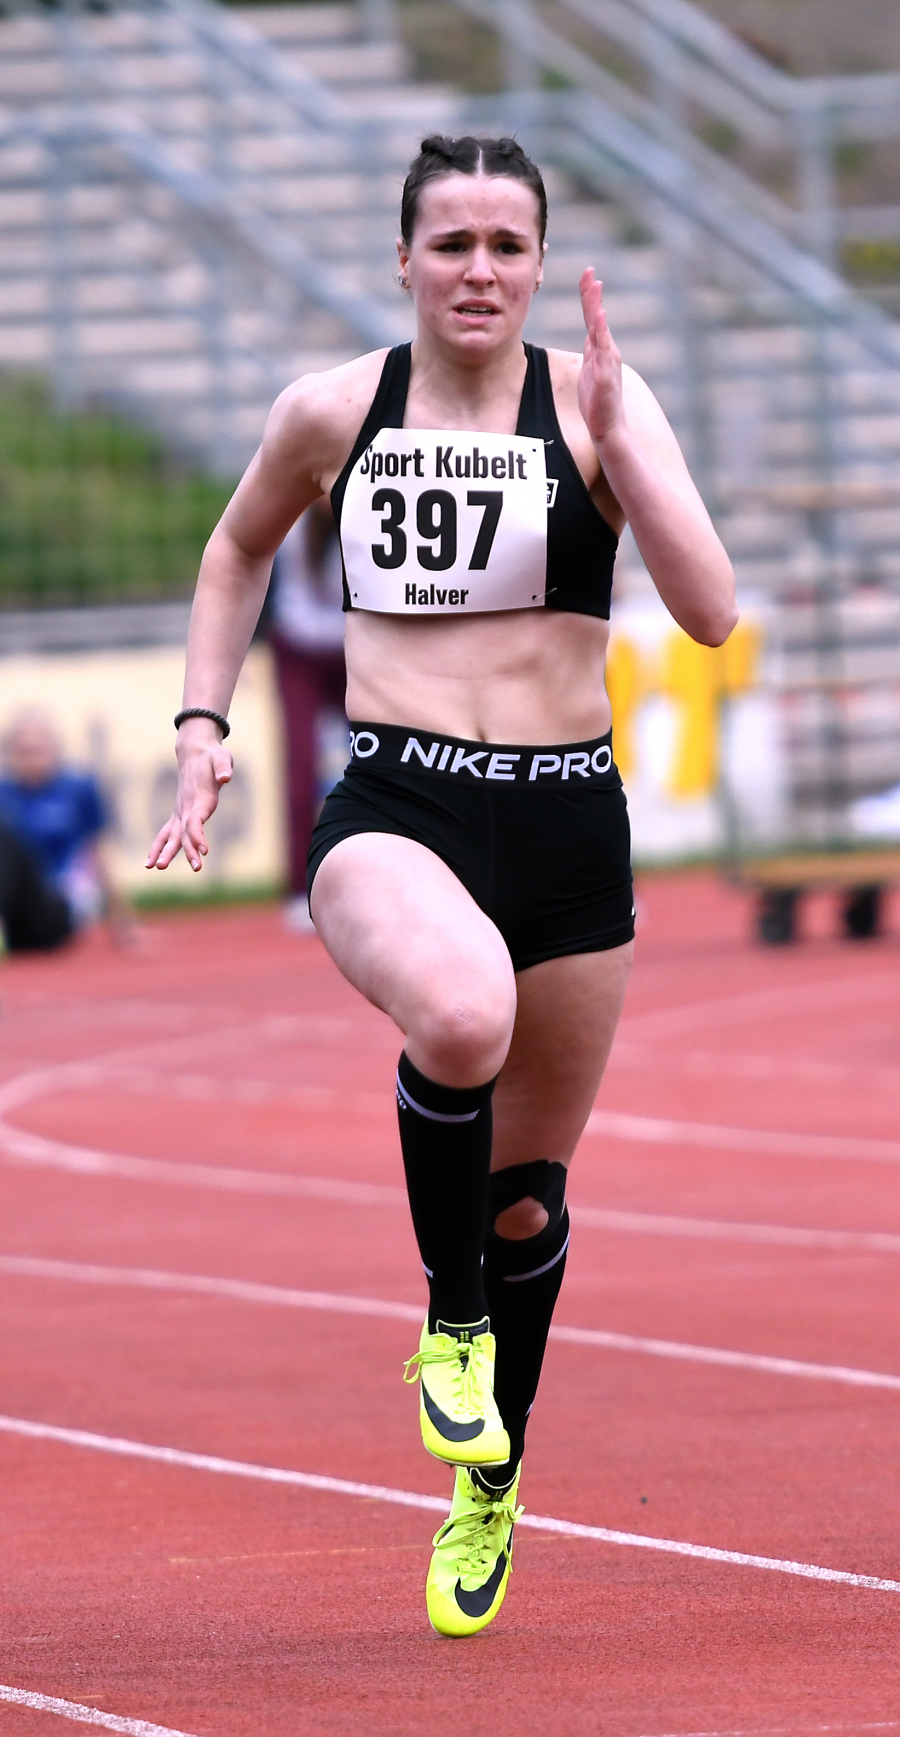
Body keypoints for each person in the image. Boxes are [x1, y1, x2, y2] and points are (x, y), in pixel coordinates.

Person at [147, 134, 736, 1637]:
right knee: (461, 1014)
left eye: (506, 245)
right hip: (399, 804)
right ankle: (450, 1322)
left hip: (568, 825)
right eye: (453, 242)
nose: (479, 270)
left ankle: (491, 1485)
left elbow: (711, 611)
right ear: (403, 257)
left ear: (539, 266)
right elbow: (232, 551)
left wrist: (626, 445)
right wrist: (202, 727)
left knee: (526, 1201)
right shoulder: (332, 411)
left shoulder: (599, 402)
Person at [267, 497, 346, 932]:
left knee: (383, 760)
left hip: (357, 652)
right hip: (299, 651)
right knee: (300, 768)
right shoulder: (291, 521)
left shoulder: (370, 511)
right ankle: (300, 888)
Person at [0, 709, 132, 950]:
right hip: (18, 908)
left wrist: (122, 918)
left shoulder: (79, 789)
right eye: (24, 752)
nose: (32, 760)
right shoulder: (4, 793)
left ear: (54, 750)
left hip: (64, 902)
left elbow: (98, 852)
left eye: (38, 751)